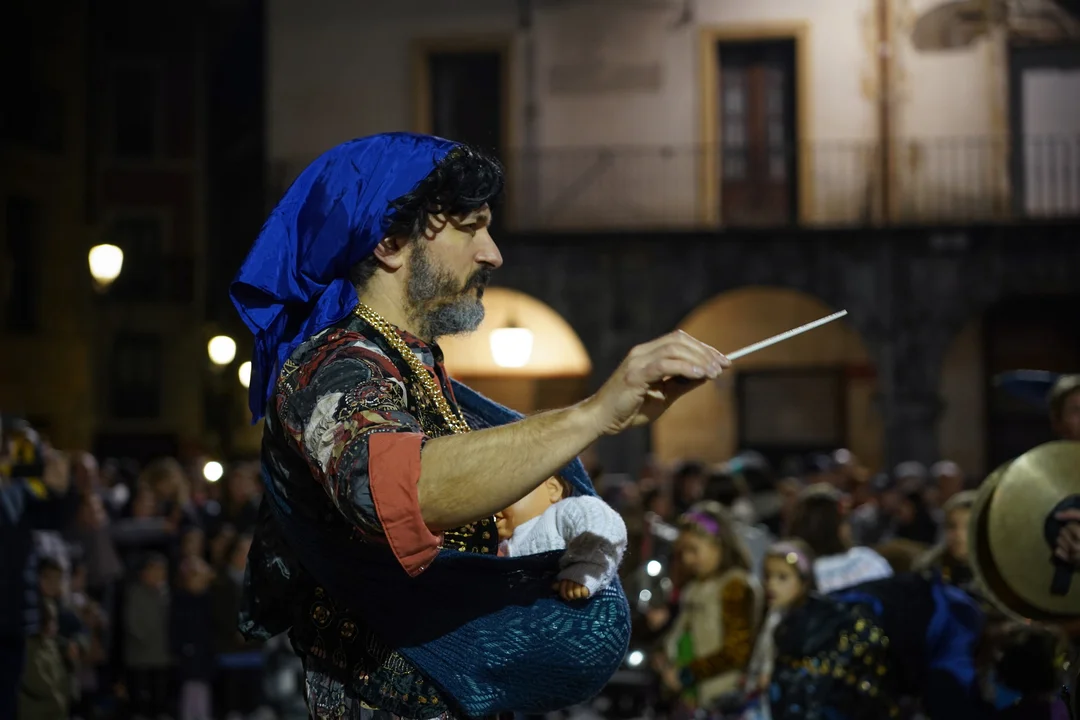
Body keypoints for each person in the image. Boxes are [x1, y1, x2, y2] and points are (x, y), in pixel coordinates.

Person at [229, 133, 731, 719]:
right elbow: (399, 490)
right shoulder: (332, 367)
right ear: (390, 242)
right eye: (472, 228)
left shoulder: (416, 368)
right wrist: (595, 412)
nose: (493, 254)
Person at [654, 501, 762, 712]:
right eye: (683, 552)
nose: (687, 559)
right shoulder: (694, 586)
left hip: (722, 698)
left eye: (694, 550)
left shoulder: (735, 585)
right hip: (691, 698)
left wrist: (686, 675)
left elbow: (737, 650)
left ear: (718, 543)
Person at [496, 476, 627, 601]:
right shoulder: (501, 543)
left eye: (503, 494)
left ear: (553, 488)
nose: (493, 507)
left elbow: (603, 523)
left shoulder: (558, 514)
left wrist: (586, 568)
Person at [743, 539, 816, 720]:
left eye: (782, 577)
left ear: (804, 582)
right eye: (767, 576)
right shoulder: (771, 615)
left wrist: (771, 677)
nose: (771, 584)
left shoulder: (803, 623)